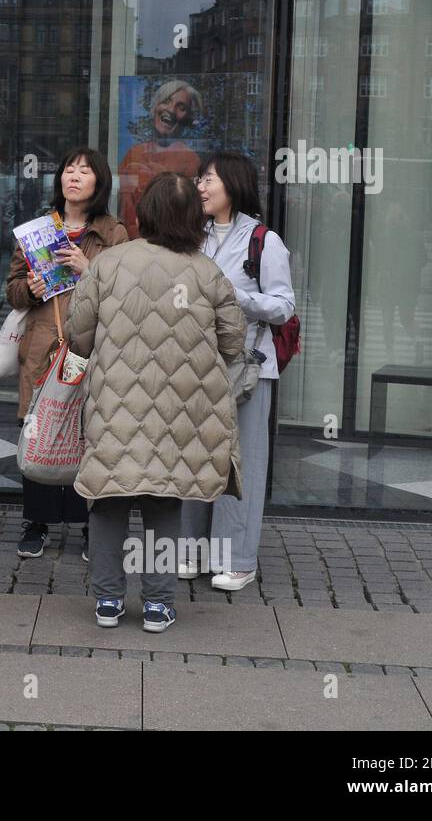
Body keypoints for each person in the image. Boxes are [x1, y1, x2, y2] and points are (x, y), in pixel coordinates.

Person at [65, 172, 243, 633]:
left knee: (108, 500)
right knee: (165, 502)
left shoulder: (109, 263)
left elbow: (79, 332)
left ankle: (107, 600)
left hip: (114, 405)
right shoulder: (208, 272)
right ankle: (159, 604)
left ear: (143, 214)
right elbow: (233, 341)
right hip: (180, 413)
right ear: (192, 220)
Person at [179, 152, 295, 591]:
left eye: (209, 179)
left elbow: (284, 307)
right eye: (200, 180)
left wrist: (236, 298)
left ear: (234, 184)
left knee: (242, 462)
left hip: (248, 369)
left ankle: (238, 559)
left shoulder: (264, 241)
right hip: (196, 364)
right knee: (194, 457)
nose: (202, 187)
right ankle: (189, 551)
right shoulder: (194, 235)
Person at [5, 147, 128, 559]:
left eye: (84, 171)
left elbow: (127, 293)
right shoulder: (38, 230)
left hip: (90, 347)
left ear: (99, 182)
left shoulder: (113, 233)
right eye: (68, 169)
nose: (73, 176)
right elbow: (13, 291)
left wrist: (88, 268)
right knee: (40, 427)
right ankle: (36, 521)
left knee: (88, 433)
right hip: (44, 346)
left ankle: (89, 524)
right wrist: (30, 290)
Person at [117, 79, 203, 238]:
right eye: (166, 101)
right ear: (155, 106)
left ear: (187, 118)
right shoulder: (134, 153)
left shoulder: (190, 160)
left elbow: (189, 214)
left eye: (181, 107)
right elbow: (124, 208)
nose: (171, 110)